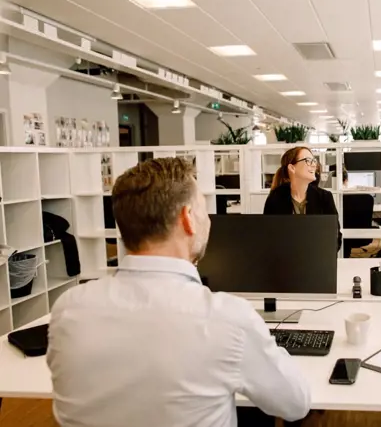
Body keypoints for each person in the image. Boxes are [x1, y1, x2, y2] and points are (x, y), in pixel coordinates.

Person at [47, 157, 311, 427]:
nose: (208, 220)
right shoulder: (227, 319)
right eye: (203, 210)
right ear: (188, 219)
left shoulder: (68, 309)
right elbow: (296, 403)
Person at [264, 146, 342, 249]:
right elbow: (268, 238)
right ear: (292, 168)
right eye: (308, 160)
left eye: (314, 161)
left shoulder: (324, 197)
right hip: (284, 261)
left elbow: (335, 238)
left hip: (317, 259)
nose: (314, 165)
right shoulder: (275, 198)